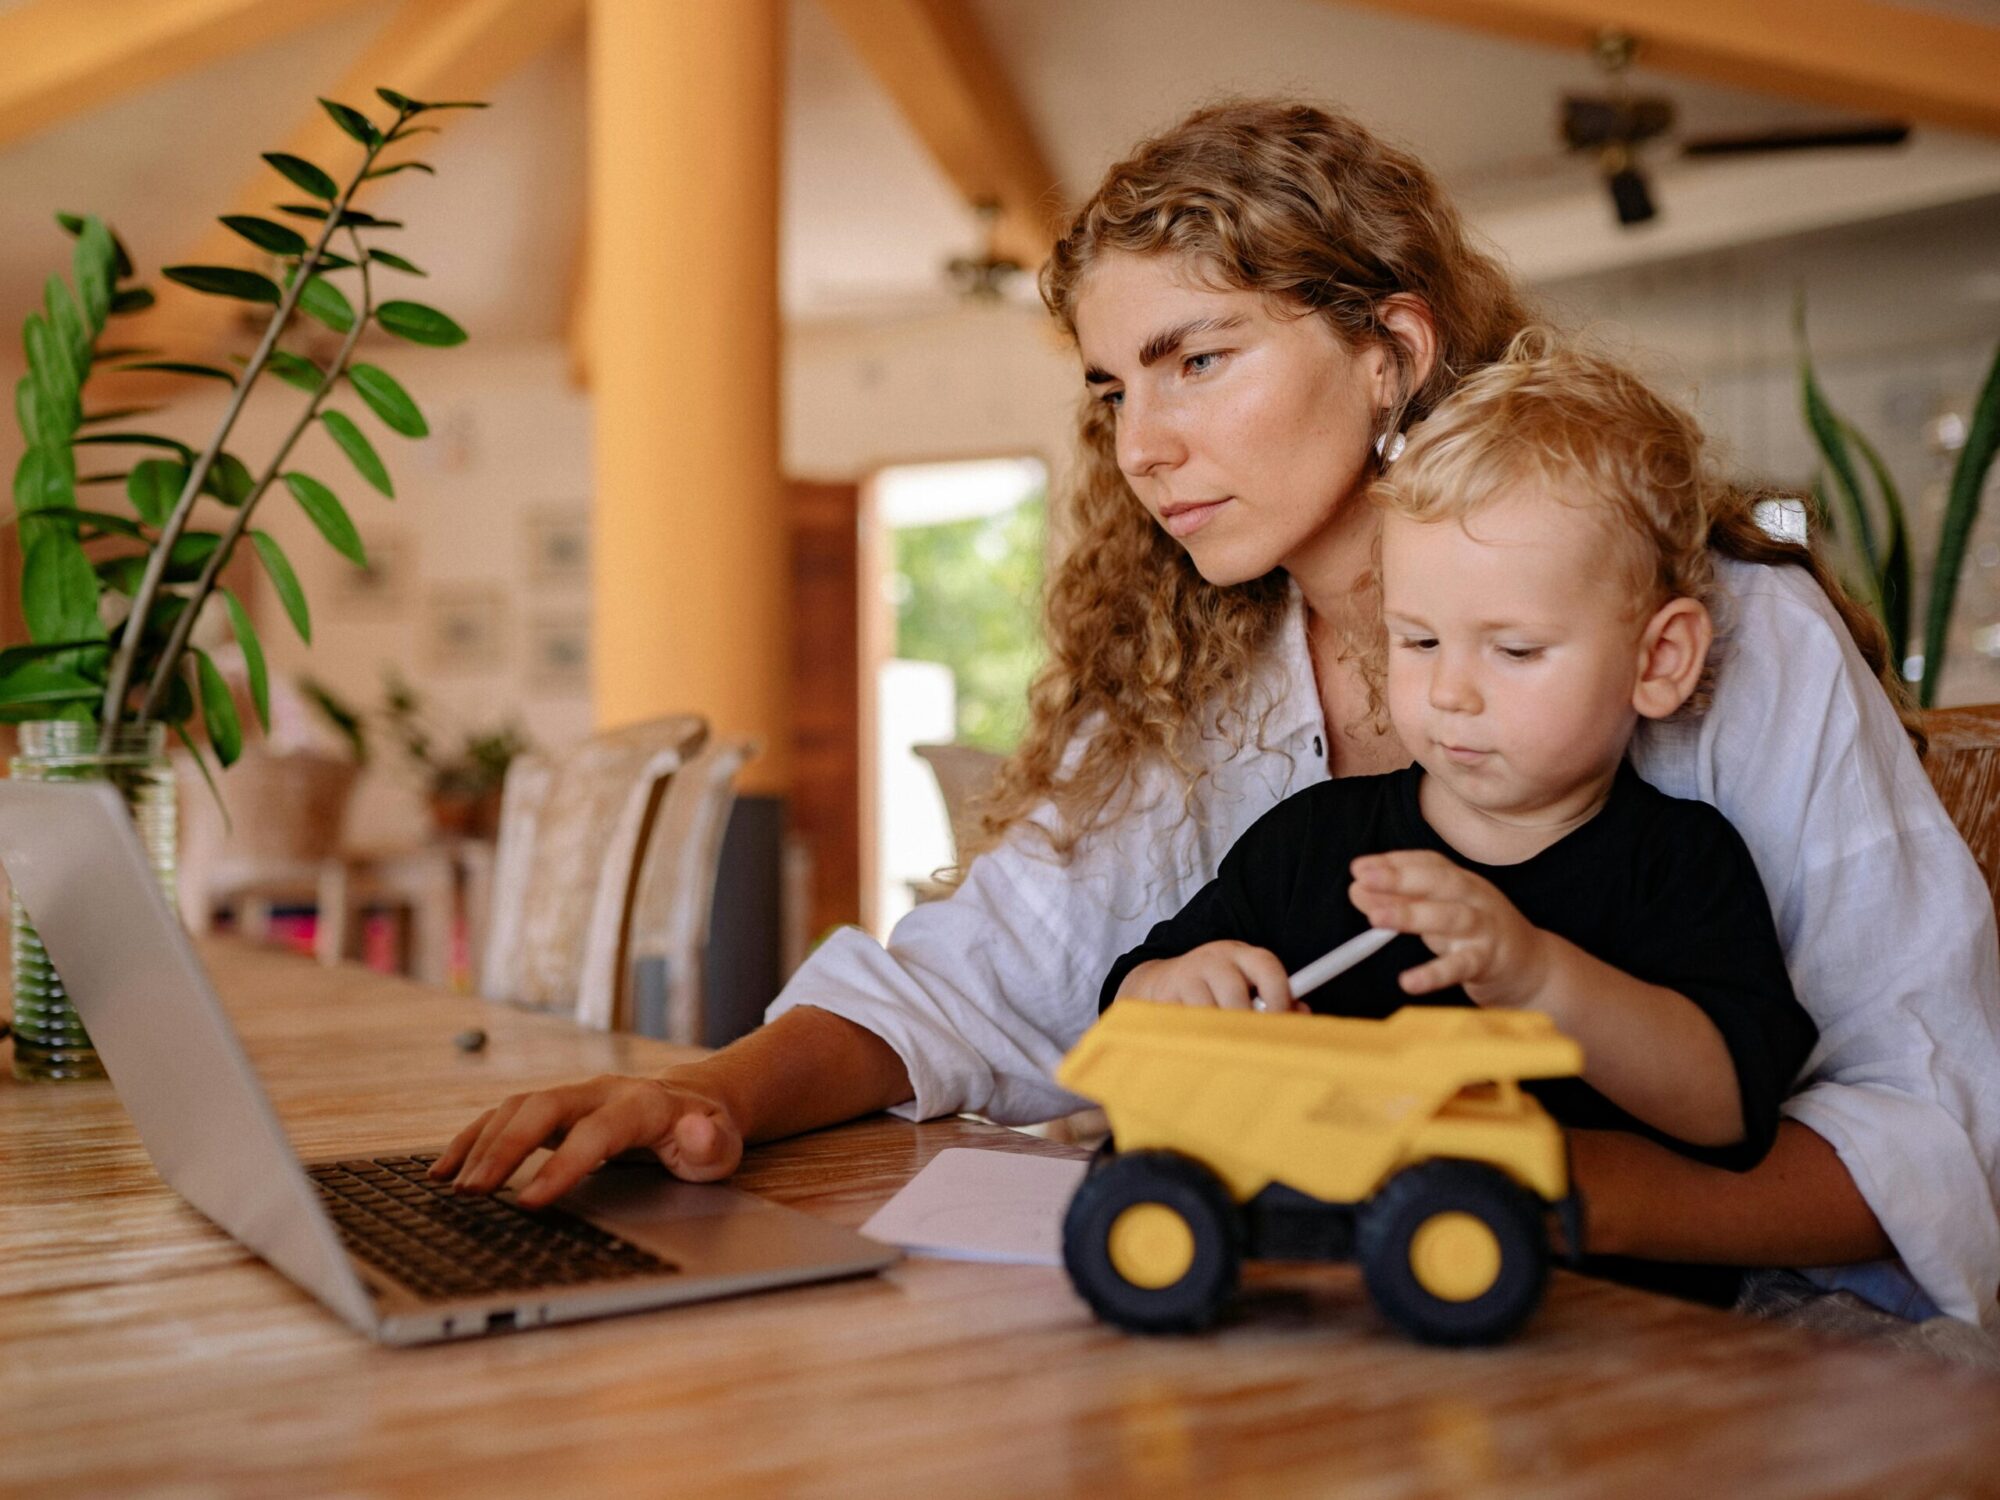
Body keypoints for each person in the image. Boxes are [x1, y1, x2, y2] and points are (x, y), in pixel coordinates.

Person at [433, 101, 2000, 1336]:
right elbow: (974, 983)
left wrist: (1536, 1195)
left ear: (1392, 350)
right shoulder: (1205, 661)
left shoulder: (1733, 639)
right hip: (1364, 1339)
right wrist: (711, 1091)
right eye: (1118, 387)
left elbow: (1936, 1124)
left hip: (1734, 1358)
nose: (1144, 444)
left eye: (1197, 358)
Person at [1103, 334, 1817, 1229]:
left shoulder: (1678, 863)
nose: (1449, 692)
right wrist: (1176, 988)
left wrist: (1536, 976)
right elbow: (1128, 1000)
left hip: (1590, 1321)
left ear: (1660, 659)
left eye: (1514, 649)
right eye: (1419, 640)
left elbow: (1730, 1110)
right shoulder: (1311, 844)